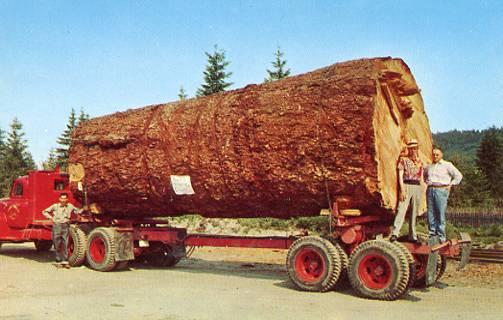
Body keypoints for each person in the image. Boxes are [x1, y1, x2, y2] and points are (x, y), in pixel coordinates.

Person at [423, 146, 463, 243]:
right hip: (431, 190)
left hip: (441, 190)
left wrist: (451, 185)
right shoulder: (429, 166)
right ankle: (432, 236)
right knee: (430, 214)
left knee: (440, 214)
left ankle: (441, 238)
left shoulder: (447, 165)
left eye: (437, 154)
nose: (435, 156)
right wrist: (427, 183)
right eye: (433, 154)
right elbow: (424, 176)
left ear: (441, 155)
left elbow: (458, 176)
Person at [390, 139, 423, 243]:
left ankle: (412, 235)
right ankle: (395, 233)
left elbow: (421, 177)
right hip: (407, 184)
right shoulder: (403, 160)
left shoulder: (420, 162)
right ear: (408, 149)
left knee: (414, 212)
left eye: (415, 148)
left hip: (417, 186)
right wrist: (402, 189)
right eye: (411, 148)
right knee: (402, 209)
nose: (413, 150)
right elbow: (400, 175)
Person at [42, 193, 82, 267]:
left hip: (65, 225)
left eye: (65, 198)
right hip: (57, 225)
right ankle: (58, 260)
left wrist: (82, 210)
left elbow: (77, 211)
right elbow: (44, 211)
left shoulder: (70, 206)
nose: (63, 200)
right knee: (57, 243)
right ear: (59, 199)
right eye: (62, 198)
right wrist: (51, 218)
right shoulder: (55, 206)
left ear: (67, 199)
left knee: (65, 243)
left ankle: (65, 261)